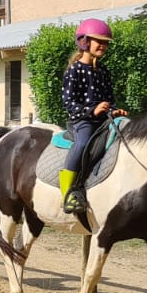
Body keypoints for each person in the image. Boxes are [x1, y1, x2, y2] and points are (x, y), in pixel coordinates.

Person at [58, 19, 127, 220]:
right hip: (82, 121)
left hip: (103, 120)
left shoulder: (103, 71)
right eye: (99, 42)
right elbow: (69, 103)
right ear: (84, 42)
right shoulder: (74, 70)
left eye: (106, 43)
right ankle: (68, 192)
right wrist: (92, 110)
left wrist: (114, 111)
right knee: (82, 143)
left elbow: (109, 99)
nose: (103, 46)